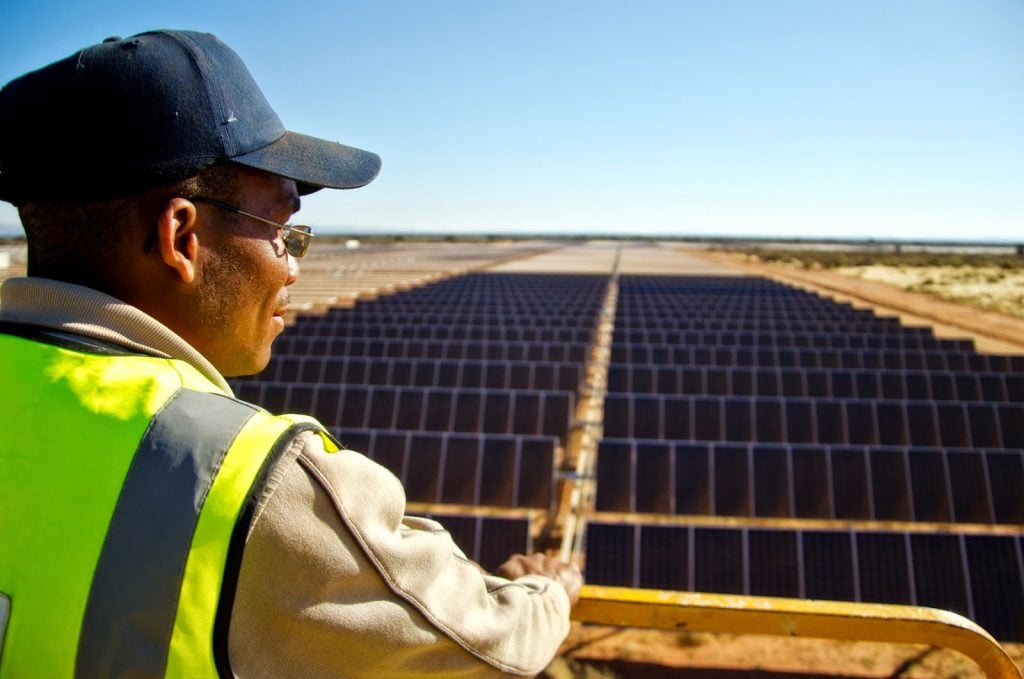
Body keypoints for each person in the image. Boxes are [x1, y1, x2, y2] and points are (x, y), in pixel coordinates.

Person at [0, 29, 581, 678]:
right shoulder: (244, 483)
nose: (292, 268)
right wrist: (549, 587)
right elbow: (487, 647)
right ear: (182, 238)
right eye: (282, 231)